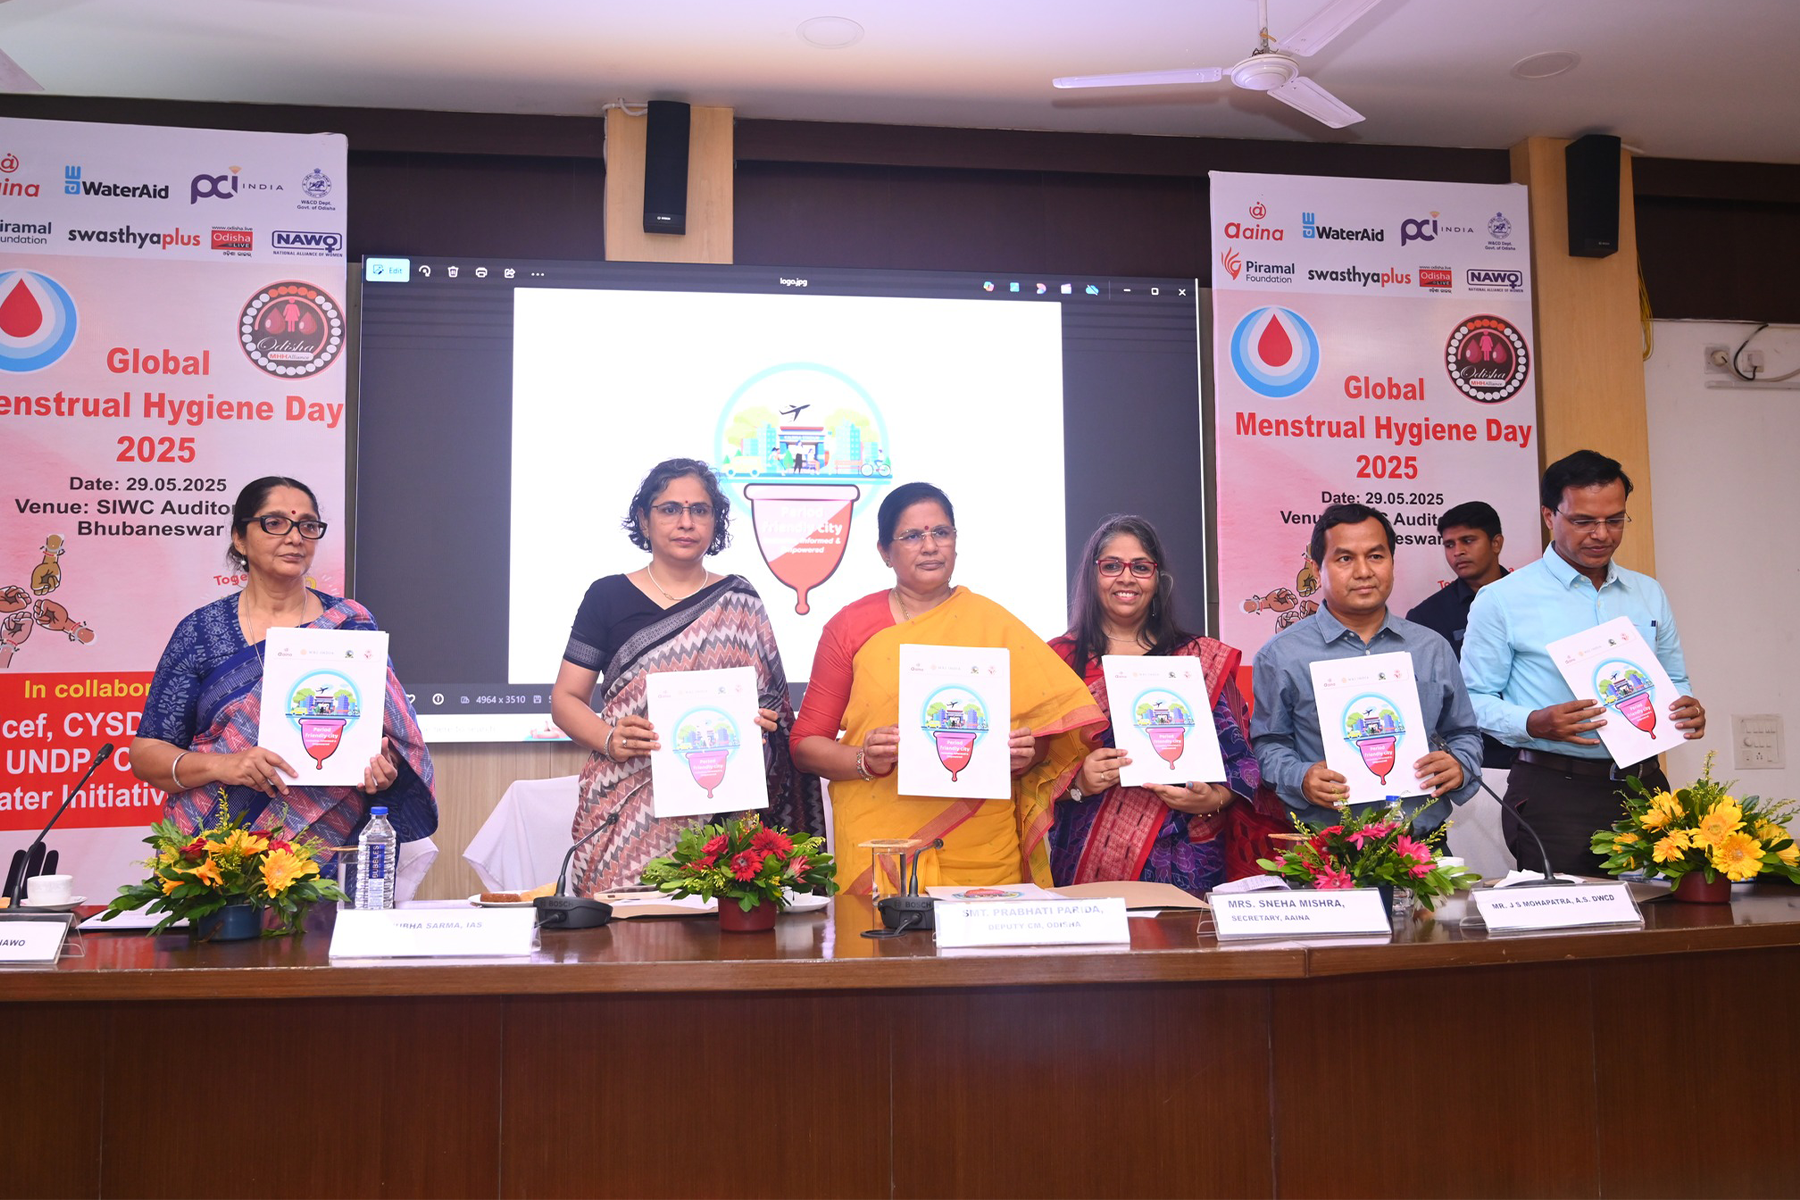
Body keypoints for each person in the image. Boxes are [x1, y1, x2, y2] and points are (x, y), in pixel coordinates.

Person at [790, 482, 1103, 894]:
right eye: (912, 536)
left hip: (982, 842)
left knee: (981, 957)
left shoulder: (997, 625)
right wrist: (865, 759)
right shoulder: (849, 626)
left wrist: (1025, 754)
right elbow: (805, 745)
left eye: (941, 533)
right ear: (884, 551)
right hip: (882, 844)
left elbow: (1042, 739)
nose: (930, 546)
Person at [550, 458, 819, 895]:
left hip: (724, 814)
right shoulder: (607, 596)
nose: (686, 522)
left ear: (716, 520)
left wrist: (765, 724)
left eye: (700, 509)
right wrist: (608, 738)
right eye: (670, 509)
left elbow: (771, 705)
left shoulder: (741, 598)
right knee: (624, 944)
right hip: (627, 806)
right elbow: (565, 698)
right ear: (644, 518)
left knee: (718, 946)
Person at [131, 477, 436, 856]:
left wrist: (382, 765)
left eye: (308, 526)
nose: (295, 537)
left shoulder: (351, 624)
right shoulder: (200, 632)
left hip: (326, 853)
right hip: (214, 856)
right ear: (239, 538)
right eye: (275, 523)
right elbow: (146, 754)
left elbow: (387, 738)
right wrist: (223, 765)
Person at [1461, 450, 1705, 876]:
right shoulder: (1502, 598)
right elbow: (1473, 699)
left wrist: (1685, 706)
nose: (1602, 534)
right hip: (1554, 792)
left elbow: (1673, 678)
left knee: (1660, 927)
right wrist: (1533, 722)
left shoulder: (1647, 593)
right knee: (1568, 933)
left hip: (1644, 787)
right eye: (1584, 521)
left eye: (1615, 520)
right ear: (1548, 516)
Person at [1048, 515, 1290, 893]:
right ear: (1092, 575)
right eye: (1111, 566)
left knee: (1186, 952)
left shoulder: (1197, 659)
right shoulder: (1059, 662)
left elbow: (1243, 760)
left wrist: (1213, 798)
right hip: (1085, 864)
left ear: (1157, 579)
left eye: (1141, 567)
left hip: (1189, 861)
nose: (1126, 578)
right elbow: (1031, 771)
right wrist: (1076, 783)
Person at [1251, 503, 1482, 834]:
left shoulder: (1431, 648)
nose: (1363, 571)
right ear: (1317, 570)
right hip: (1327, 851)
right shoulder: (1282, 655)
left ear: (1391, 562)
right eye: (1345, 559)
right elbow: (1268, 744)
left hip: (1422, 847)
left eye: (1376, 556)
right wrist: (1301, 778)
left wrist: (1459, 766)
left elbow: (1464, 733)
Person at [1404, 500, 1514, 771]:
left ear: (1496, 543)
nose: (1458, 552)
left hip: (1538, 750)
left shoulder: (1532, 598)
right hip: (1469, 759)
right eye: (1449, 544)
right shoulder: (1426, 617)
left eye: (1468, 540)